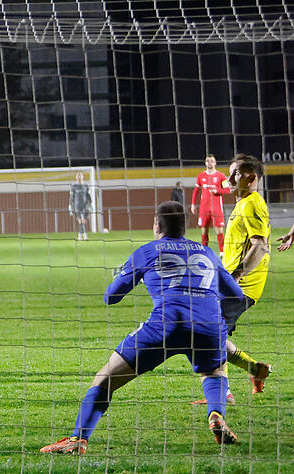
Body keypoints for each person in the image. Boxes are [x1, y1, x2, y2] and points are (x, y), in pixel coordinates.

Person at [41, 201, 243, 455]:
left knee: (105, 379)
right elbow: (236, 295)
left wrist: (124, 274)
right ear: (185, 226)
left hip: (165, 324)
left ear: (157, 225)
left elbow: (111, 297)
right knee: (214, 373)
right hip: (209, 325)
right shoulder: (207, 253)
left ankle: (78, 439)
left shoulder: (147, 251)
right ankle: (215, 413)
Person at [191, 154, 271, 404]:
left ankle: (222, 394)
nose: (230, 178)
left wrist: (236, 276)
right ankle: (256, 370)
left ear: (252, 177)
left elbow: (260, 246)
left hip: (241, 287)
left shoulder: (252, 204)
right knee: (209, 332)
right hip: (231, 284)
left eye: (236, 173)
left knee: (204, 332)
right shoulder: (242, 204)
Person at [191, 154, 230, 256]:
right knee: (204, 231)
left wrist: (217, 190)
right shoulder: (201, 176)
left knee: (219, 230)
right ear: (205, 163)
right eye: (208, 161)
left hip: (216, 208)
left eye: (212, 161)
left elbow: (227, 190)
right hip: (204, 208)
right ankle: (205, 252)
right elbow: (196, 190)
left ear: (215, 162)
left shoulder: (221, 176)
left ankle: (222, 253)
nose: (210, 163)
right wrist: (193, 204)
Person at [69, 171, 92, 241]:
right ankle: (84, 236)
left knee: (83, 221)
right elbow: (71, 196)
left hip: (85, 205)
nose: (79, 176)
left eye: (80, 175)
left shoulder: (86, 185)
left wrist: (91, 204)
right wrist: (70, 205)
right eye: (77, 175)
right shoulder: (73, 186)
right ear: (76, 177)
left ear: (82, 176)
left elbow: (88, 196)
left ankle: (79, 235)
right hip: (77, 205)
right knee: (80, 221)